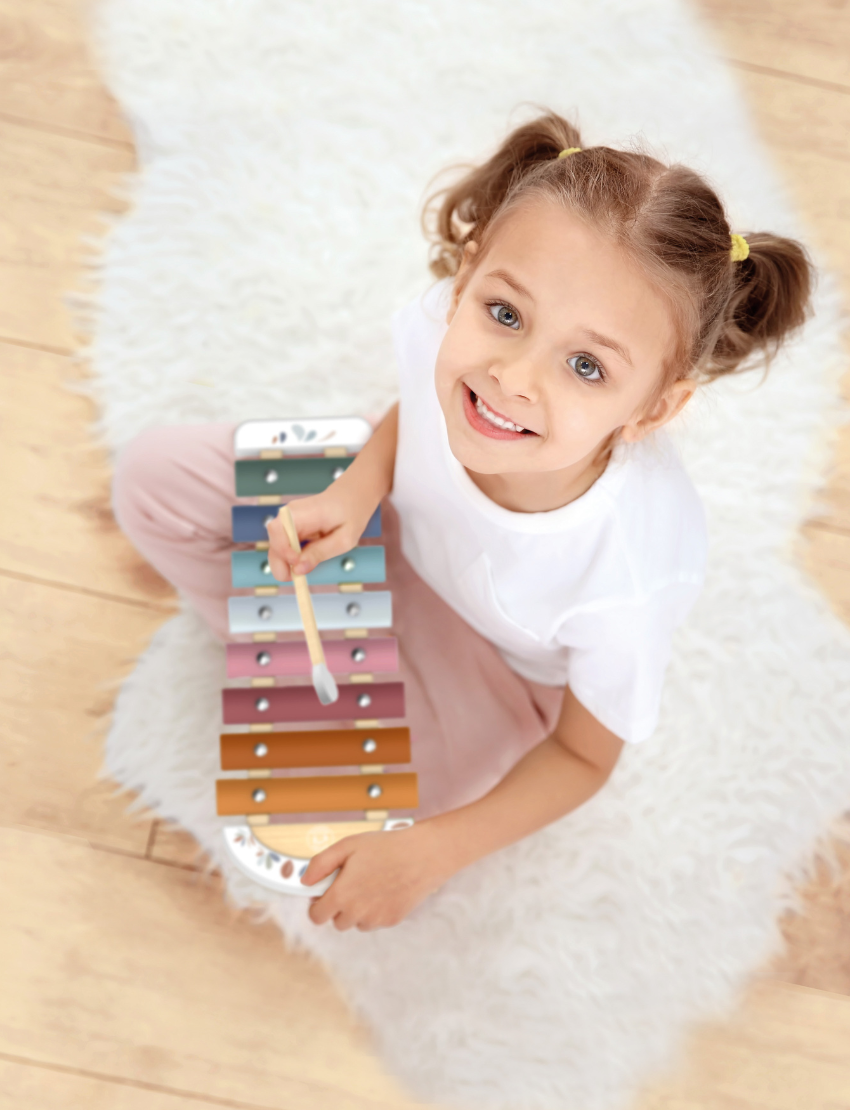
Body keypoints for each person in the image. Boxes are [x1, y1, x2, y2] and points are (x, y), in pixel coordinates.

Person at [113, 111, 813, 933]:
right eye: (506, 314)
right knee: (150, 480)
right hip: (390, 527)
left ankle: (316, 652)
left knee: (387, 814)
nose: (510, 379)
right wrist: (356, 491)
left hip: (497, 671)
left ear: (653, 409)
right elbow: (416, 402)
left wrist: (436, 849)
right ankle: (305, 646)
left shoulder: (625, 571)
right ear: (469, 275)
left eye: (586, 367)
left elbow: (584, 757)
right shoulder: (445, 327)